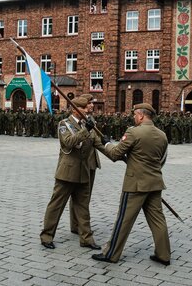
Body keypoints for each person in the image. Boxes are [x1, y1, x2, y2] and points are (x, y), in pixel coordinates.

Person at [92, 103, 171, 265]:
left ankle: (111, 254)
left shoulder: (134, 132)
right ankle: (164, 255)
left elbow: (115, 154)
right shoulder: (162, 135)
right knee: (158, 220)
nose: (133, 117)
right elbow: (162, 159)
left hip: (135, 184)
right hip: (155, 182)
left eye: (135, 114)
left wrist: (105, 143)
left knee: (124, 219)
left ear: (141, 115)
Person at [40, 97, 104, 250]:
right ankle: (46, 236)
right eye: (84, 108)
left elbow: (98, 143)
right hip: (67, 172)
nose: (88, 110)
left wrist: (117, 153)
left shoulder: (88, 124)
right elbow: (69, 142)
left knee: (83, 207)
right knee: (57, 205)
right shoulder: (64, 124)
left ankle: (86, 238)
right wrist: (86, 130)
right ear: (76, 109)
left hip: (83, 171)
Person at [70, 94, 101, 234]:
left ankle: (81, 224)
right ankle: (76, 225)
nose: (92, 106)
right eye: (89, 103)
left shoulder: (91, 119)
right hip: (82, 160)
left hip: (92, 160)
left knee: (86, 195)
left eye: (91, 103)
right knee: (78, 195)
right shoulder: (76, 121)